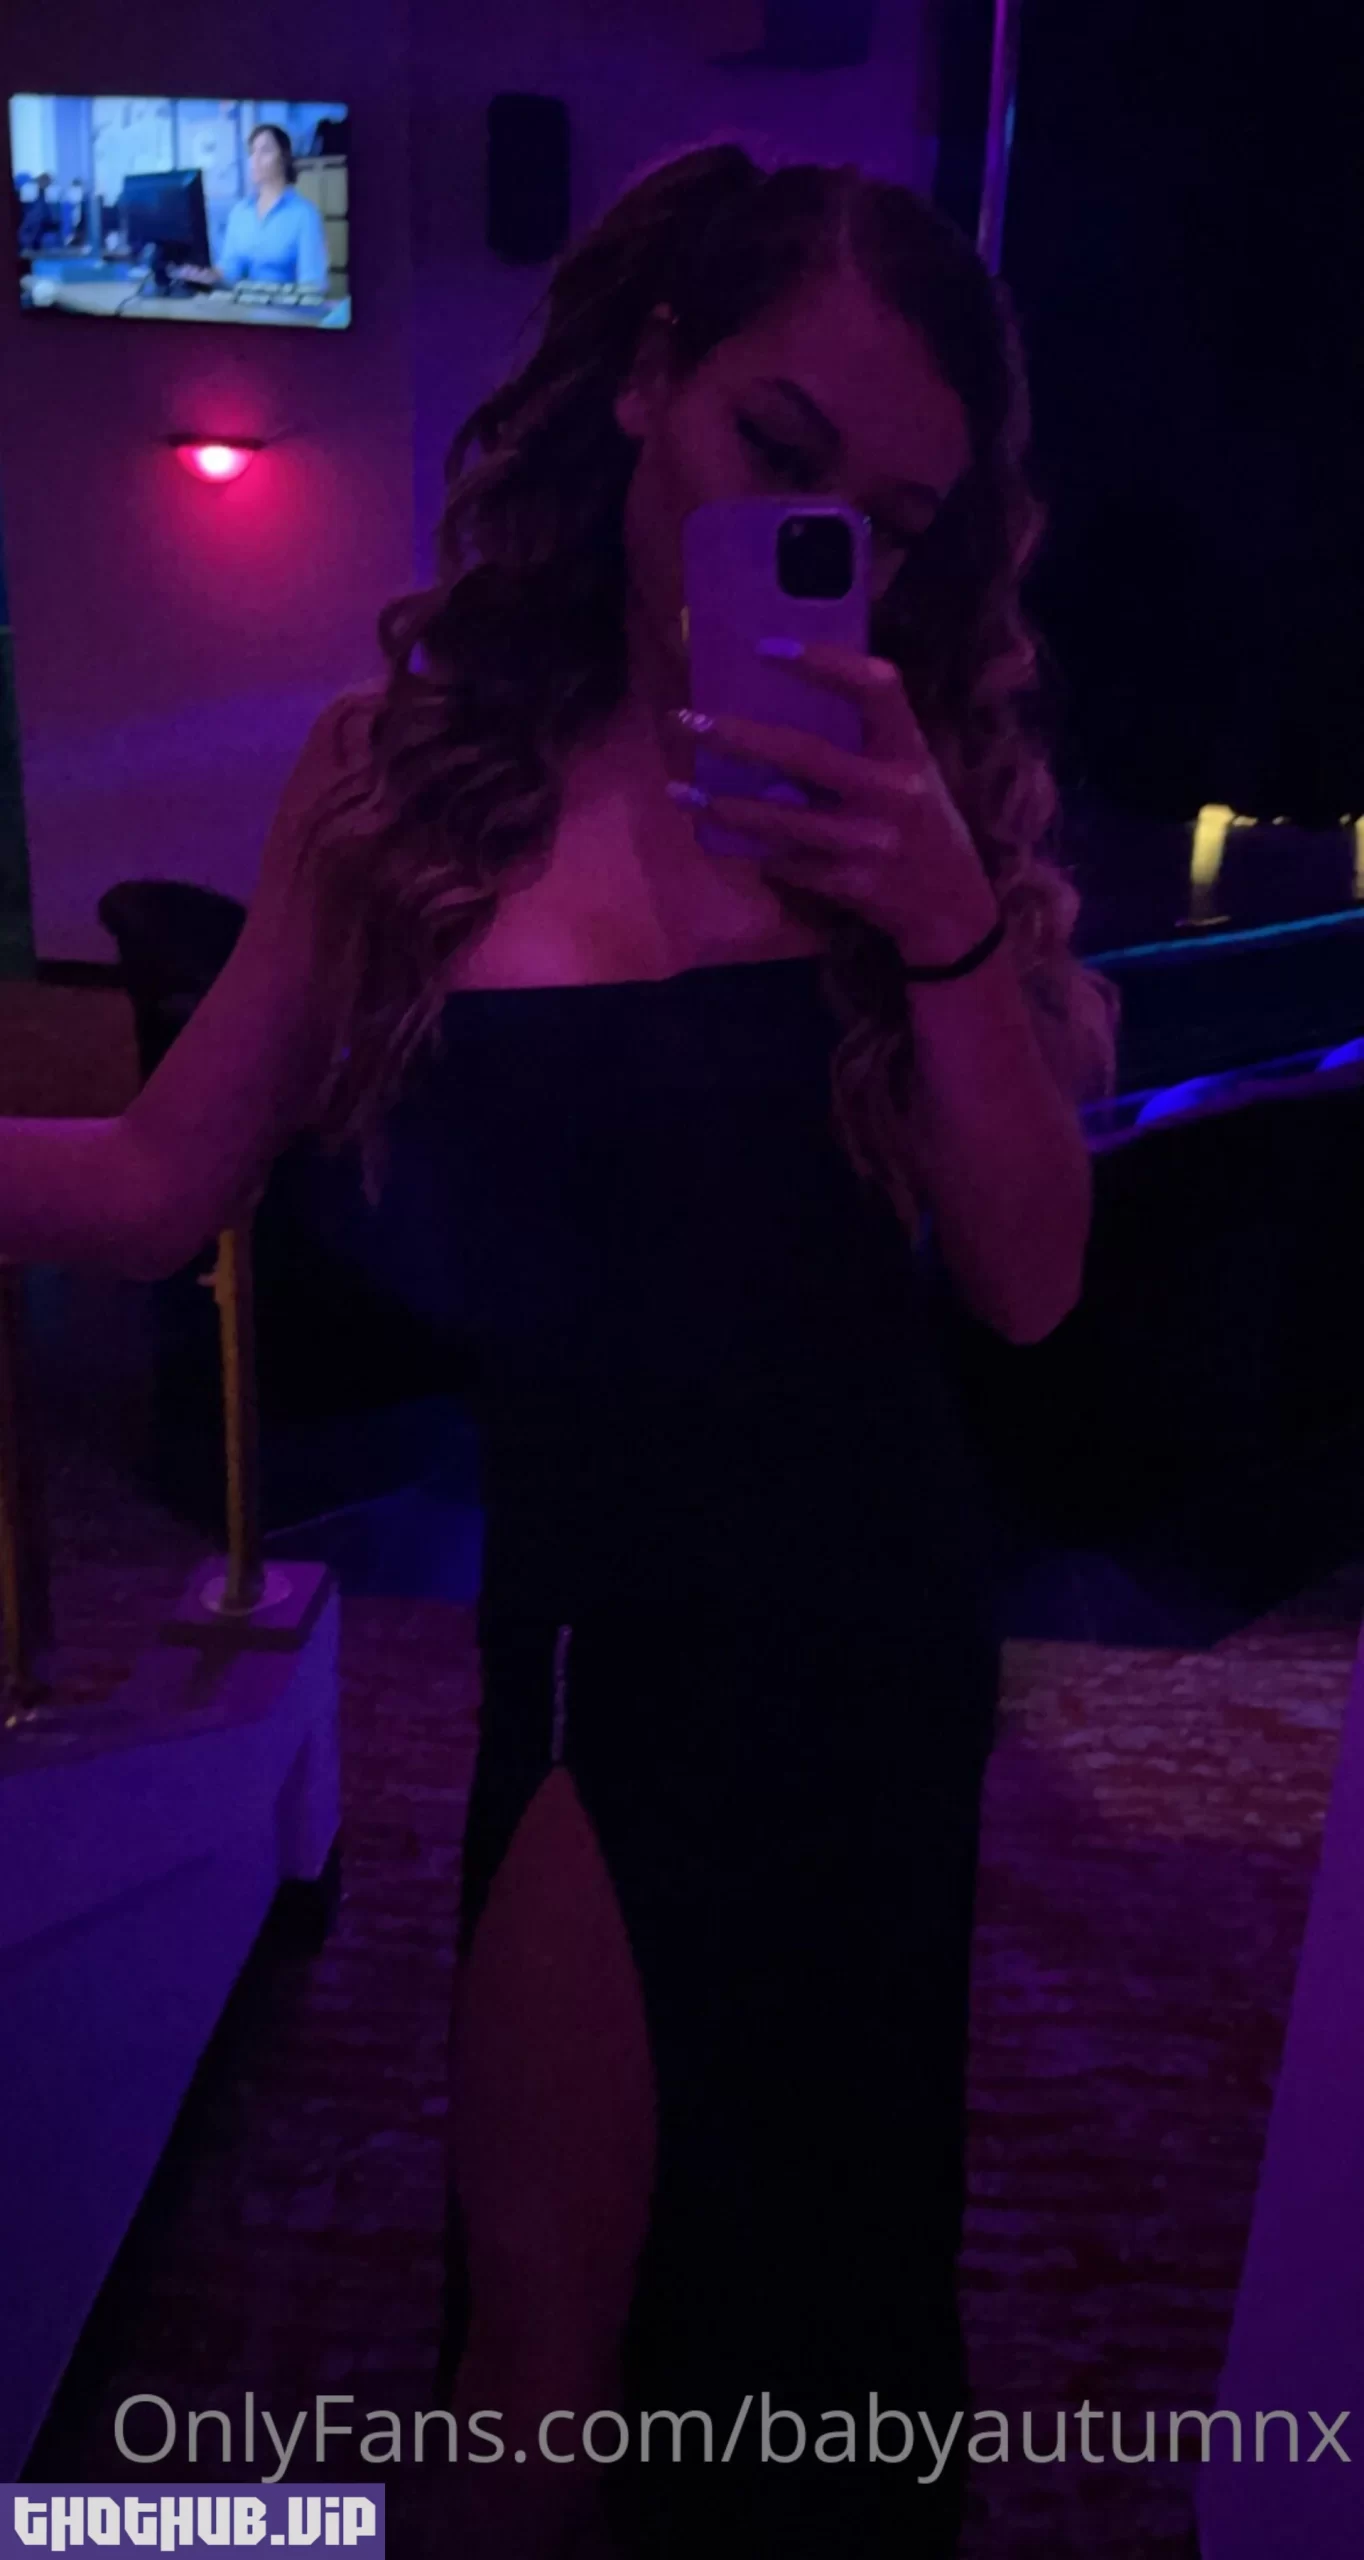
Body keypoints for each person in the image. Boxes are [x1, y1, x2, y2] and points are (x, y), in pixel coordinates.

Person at [0, 145, 1115, 2557]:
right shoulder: (398, 786)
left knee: (830, 2291)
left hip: (870, 1652)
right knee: (537, 2345)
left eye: (890, 523)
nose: (821, 547)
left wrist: (938, 919)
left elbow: (1031, 1280)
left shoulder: (914, 807)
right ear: (643, 379)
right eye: (774, 452)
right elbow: (157, 1177)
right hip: (596, 1645)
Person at [179, 122, 327, 291]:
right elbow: (230, 270)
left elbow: (313, 285)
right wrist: (207, 275)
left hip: (284, 305)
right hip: (243, 304)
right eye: (252, 152)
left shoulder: (305, 215)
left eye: (265, 151)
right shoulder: (240, 212)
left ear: (284, 158)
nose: (255, 159)